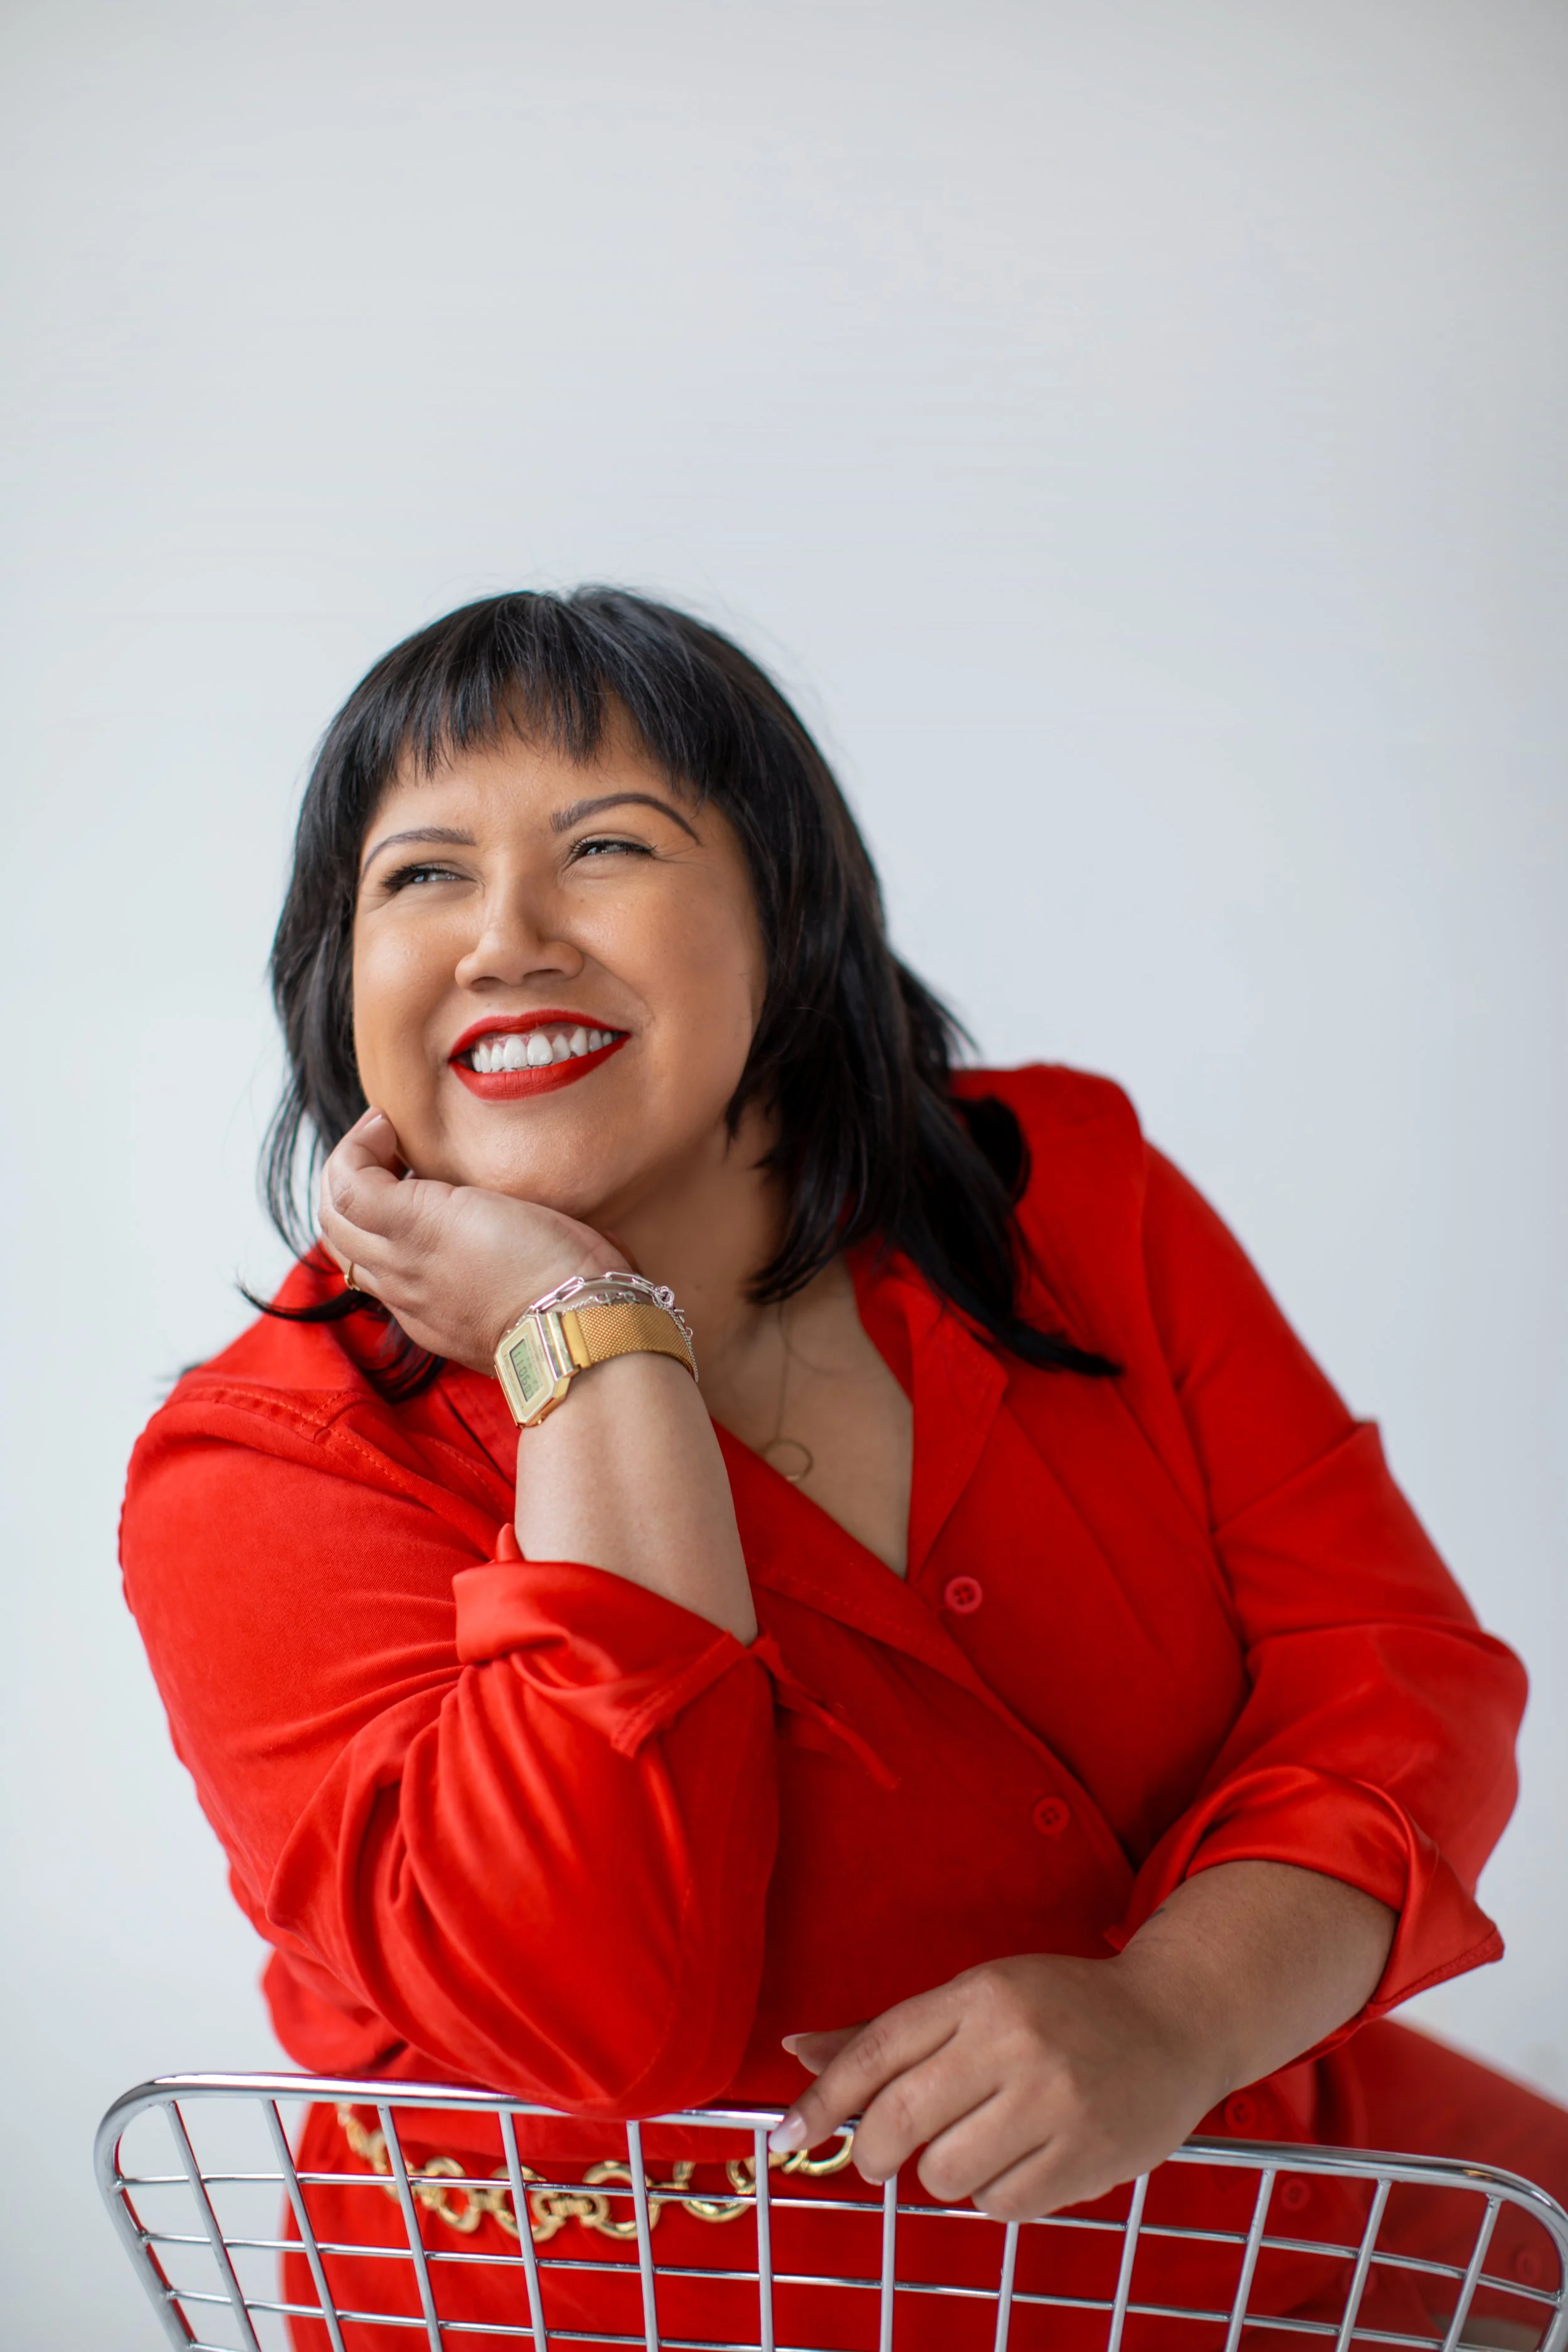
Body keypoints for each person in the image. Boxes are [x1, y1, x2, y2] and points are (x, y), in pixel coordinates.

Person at [120, 589, 1567, 2350]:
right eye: (422, 875)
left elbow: (1394, 1680)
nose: (504, 939)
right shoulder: (264, 1472)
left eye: (605, 846)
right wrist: (591, 1345)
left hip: (1243, 2196)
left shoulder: (1062, 1189)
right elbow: (603, 2015)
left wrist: (1176, 2014)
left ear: (785, 909)